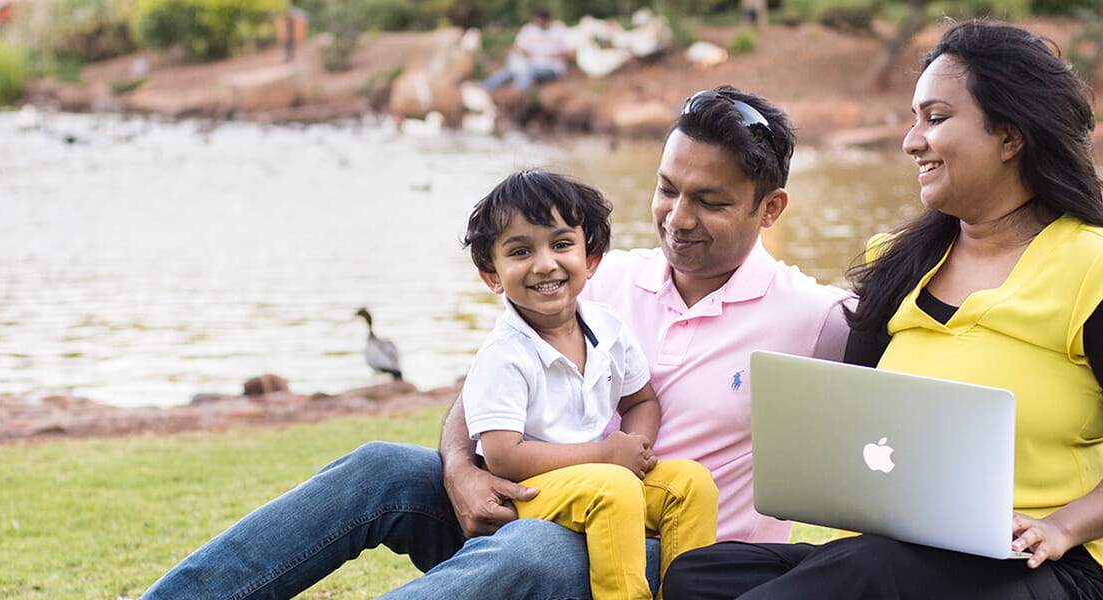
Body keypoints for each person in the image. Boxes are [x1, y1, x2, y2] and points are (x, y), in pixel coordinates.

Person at [137, 85, 850, 600]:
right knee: (380, 466)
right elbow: (493, 381)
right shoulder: (600, 276)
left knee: (535, 550)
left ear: (771, 208)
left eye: (711, 201)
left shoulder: (814, 317)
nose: (677, 217)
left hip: (678, 561)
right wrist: (459, 468)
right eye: (668, 190)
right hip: (544, 499)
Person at [660, 21, 1103, 600]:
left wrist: (1061, 526)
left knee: (871, 569)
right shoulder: (897, 264)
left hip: (1040, 565)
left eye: (936, 118)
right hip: (900, 551)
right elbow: (862, 420)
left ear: (1009, 136)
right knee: (702, 574)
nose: (911, 140)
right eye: (914, 119)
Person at [459, 169, 718, 600]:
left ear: (591, 259)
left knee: (690, 483)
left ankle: (689, 593)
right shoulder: (504, 353)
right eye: (520, 251)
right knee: (613, 487)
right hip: (530, 493)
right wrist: (605, 456)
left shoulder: (607, 327)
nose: (545, 264)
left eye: (562, 245)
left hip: (600, 480)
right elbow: (504, 456)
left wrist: (634, 448)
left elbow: (641, 399)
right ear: (492, 275)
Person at [482, 9, 572, 93]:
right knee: (512, 69)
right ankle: (485, 87)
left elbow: (569, 52)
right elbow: (517, 47)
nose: (536, 23)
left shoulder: (558, 31)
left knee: (526, 70)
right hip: (530, 64)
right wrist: (526, 54)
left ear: (545, 20)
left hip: (551, 68)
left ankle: (517, 93)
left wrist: (548, 55)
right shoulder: (529, 30)